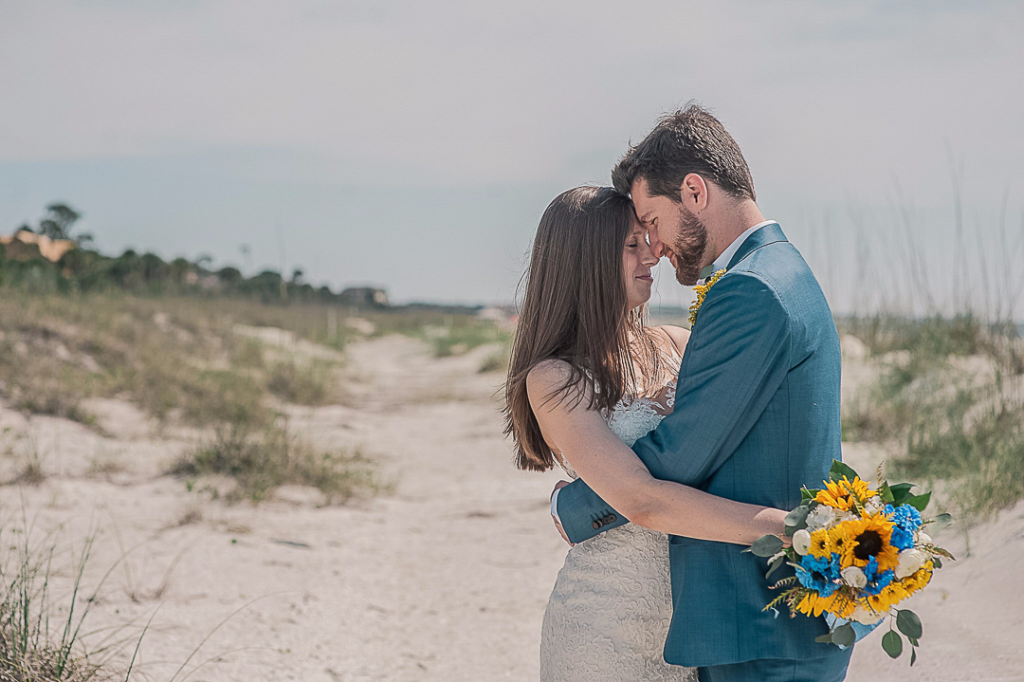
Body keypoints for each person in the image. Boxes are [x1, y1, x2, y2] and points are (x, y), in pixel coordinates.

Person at [545, 104, 853, 682]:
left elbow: (685, 449)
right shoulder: (783, 273)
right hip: (757, 617)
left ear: (693, 191)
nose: (656, 248)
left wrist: (577, 506)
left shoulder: (751, 290)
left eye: (651, 222)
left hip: (758, 621)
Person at [505, 184, 791, 682]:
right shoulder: (554, 378)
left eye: (649, 239)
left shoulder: (682, 344)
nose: (653, 255)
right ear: (585, 261)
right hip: (603, 629)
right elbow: (641, 500)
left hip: (697, 625)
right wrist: (793, 531)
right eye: (632, 245)